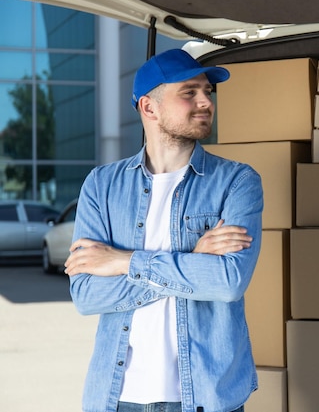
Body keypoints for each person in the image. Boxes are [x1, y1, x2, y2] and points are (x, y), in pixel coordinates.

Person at [64, 48, 263, 412]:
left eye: (208, 92)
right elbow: (87, 295)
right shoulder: (101, 186)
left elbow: (228, 282)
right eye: (189, 92)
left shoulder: (237, 181)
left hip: (205, 397)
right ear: (149, 107)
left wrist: (124, 262)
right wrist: (191, 260)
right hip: (117, 397)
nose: (205, 101)